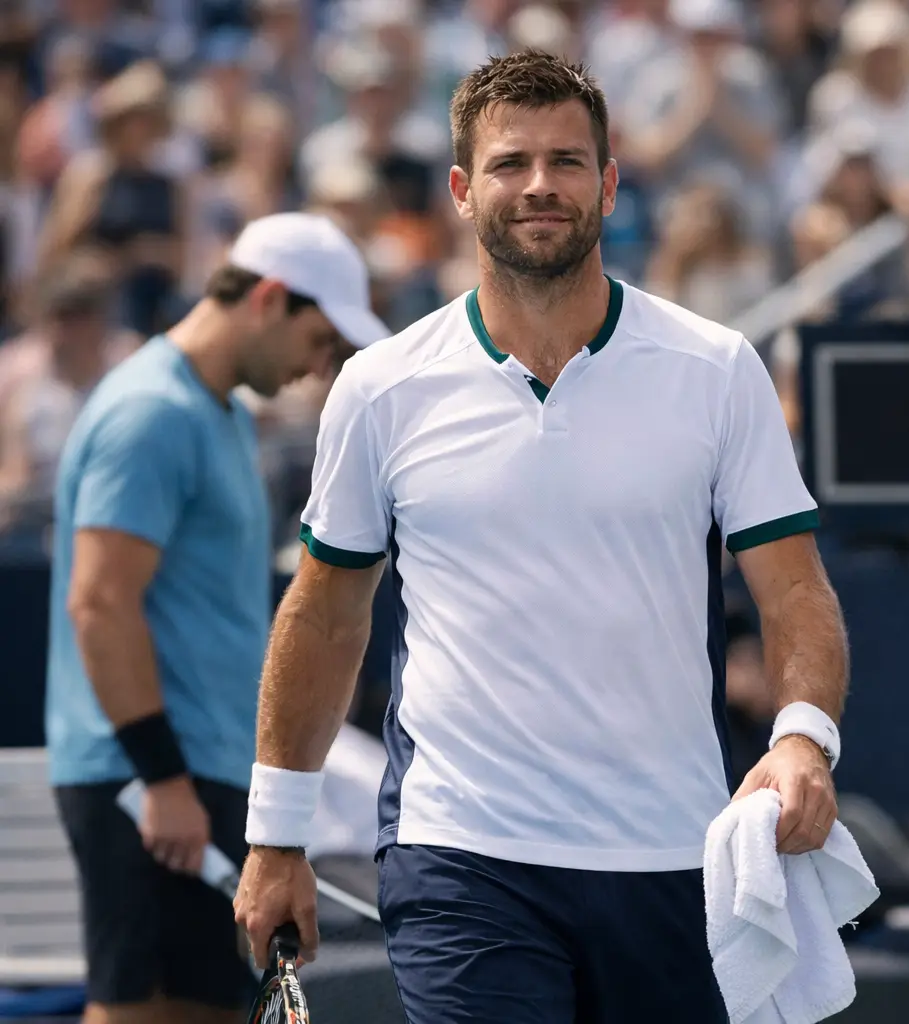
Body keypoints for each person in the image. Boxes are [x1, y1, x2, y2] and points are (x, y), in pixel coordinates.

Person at [233, 51, 850, 1024]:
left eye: (566, 161)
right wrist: (276, 835)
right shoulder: (381, 386)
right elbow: (325, 615)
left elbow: (795, 591)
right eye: (511, 163)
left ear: (607, 183)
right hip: (461, 855)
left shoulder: (716, 368)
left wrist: (805, 736)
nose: (539, 186)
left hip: (672, 855)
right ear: (462, 190)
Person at [46, 211, 388, 1024]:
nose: (322, 366)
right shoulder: (152, 413)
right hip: (149, 780)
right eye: (321, 340)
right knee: (144, 1014)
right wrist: (162, 778)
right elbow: (99, 602)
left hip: (193, 773)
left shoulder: (219, 415)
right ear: (270, 298)